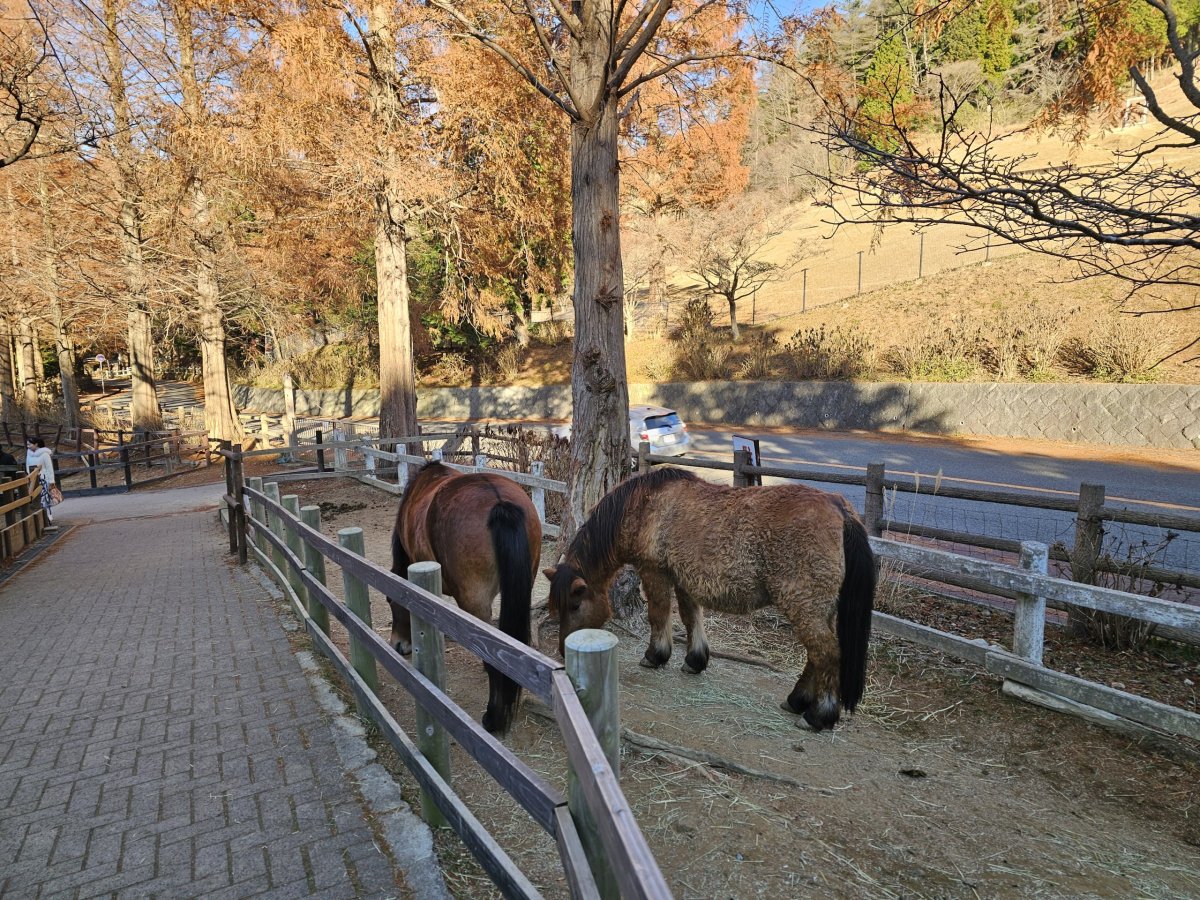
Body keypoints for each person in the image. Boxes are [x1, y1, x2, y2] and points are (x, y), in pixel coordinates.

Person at [25, 437, 58, 526]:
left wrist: (51, 481)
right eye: (27, 444)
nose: (28, 446)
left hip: (44, 478)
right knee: (36, 499)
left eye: (29, 444)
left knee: (44, 498)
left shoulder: (45, 454)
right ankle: (40, 518)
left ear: (36, 444)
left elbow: (49, 468)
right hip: (33, 480)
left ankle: (48, 516)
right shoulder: (29, 454)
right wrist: (29, 477)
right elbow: (27, 466)